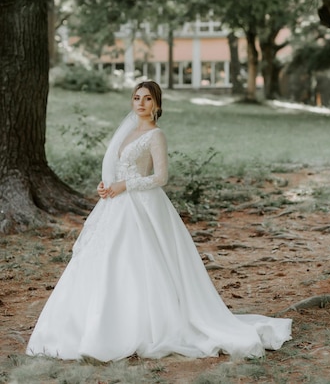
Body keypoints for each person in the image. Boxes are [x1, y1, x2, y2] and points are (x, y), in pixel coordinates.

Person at [26, 80, 292, 362]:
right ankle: (88, 325)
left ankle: (146, 325)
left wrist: (125, 185)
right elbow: (117, 170)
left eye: (147, 99)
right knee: (103, 259)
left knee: (138, 259)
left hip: (142, 205)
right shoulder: (127, 132)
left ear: (157, 105)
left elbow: (161, 178)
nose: (140, 103)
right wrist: (107, 188)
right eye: (136, 97)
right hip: (116, 205)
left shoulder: (156, 135)